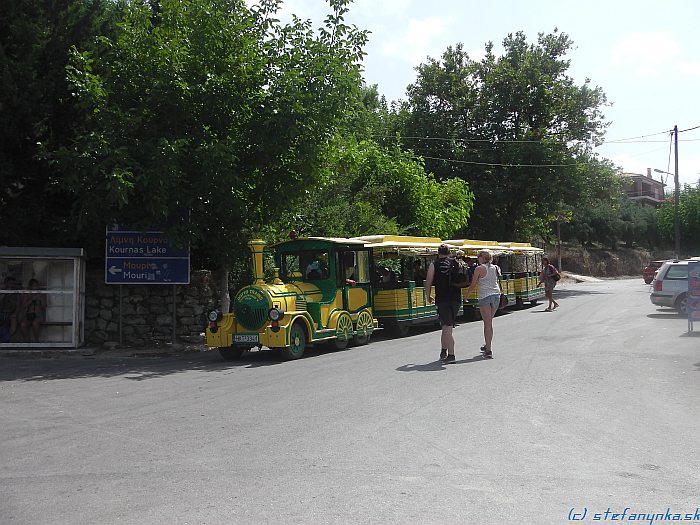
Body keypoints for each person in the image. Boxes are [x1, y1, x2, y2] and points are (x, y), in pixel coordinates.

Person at [425, 244, 462, 364]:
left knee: (447, 326)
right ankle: (443, 350)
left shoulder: (434, 264)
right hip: (456, 298)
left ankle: (451, 355)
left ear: (438, 252)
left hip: (442, 298)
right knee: (446, 325)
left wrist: (428, 295)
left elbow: (429, 281)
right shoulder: (456, 262)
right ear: (449, 252)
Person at [464, 249, 501, 359]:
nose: (477, 258)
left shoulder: (479, 269)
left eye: (479, 256)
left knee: (487, 324)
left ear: (483, 257)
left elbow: (473, 284)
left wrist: (467, 295)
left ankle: (488, 349)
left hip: (485, 296)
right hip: (496, 296)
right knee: (489, 322)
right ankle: (487, 344)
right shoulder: (496, 268)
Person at [20, 278, 47, 343]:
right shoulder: (26, 294)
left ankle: (36, 341)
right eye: (34, 286)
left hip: (38, 315)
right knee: (22, 324)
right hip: (28, 314)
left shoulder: (41, 294)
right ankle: (27, 341)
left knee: (35, 323)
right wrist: (31, 299)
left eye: (37, 285)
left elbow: (44, 306)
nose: (36, 287)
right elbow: (23, 306)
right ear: (30, 286)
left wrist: (41, 299)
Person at [0, 276, 20, 343]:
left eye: (13, 283)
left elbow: (17, 305)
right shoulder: (2, 292)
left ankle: (6, 340)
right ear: (6, 283)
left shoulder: (16, 293)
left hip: (12, 313)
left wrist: (15, 314)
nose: (12, 285)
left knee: (12, 320)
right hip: (2, 313)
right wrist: (5, 293)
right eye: (10, 283)